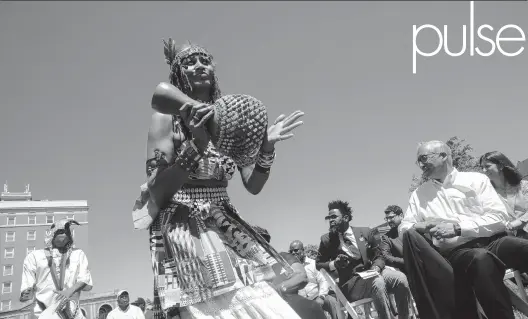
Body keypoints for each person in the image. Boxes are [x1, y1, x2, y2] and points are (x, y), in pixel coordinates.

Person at [140, 40, 304, 319]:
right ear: (178, 74)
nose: (199, 66)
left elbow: (252, 185)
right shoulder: (166, 119)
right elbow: (156, 191)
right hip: (183, 226)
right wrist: (196, 147)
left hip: (226, 222)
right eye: (189, 62)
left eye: (205, 60)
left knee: (265, 303)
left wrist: (266, 147)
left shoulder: (229, 119)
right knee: (213, 308)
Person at [400, 140, 528, 319]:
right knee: (481, 260)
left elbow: (499, 218)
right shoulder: (419, 195)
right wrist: (416, 226)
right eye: (418, 161)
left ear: (443, 156)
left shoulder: (476, 180)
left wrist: (458, 228)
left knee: (522, 247)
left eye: (424, 158)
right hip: (459, 253)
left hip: (494, 241)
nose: (421, 165)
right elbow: (404, 228)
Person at [316, 200, 410, 319]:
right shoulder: (327, 240)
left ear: (345, 218)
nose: (330, 220)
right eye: (329, 217)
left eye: (334, 217)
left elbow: (379, 255)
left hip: (374, 272)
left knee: (400, 278)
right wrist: (334, 263)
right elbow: (318, 264)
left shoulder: (365, 232)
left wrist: (376, 267)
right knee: (378, 282)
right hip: (351, 283)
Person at [19, 219, 93, 319]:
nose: (64, 233)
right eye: (60, 231)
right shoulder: (34, 256)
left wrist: (70, 291)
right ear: (51, 234)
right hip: (43, 313)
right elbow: (27, 285)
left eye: (66, 231)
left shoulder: (78, 254)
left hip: (71, 314)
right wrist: (26, 293)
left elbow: (84, 278)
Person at [289, 240, 345, 319]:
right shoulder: (290, 269)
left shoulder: (313, 264)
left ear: (303, 250)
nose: (293, 253)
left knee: (331, 302)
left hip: (317, 296)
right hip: (303, 301)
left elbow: (323, 280)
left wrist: (321, 297)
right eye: (291, 251)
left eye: (296, 250)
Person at [480, 151, 528, 237]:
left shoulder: (523, 186)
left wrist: (519, 222)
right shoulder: (487, 193)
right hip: (507, 239)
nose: (484, 170)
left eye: (487, 166)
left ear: (501, 166)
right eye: (482, 167)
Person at [379, 205, 405, 273]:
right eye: (386, 218)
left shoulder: (413, 228)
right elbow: (386, 256)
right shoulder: (386, 237)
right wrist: (406, 261)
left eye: (391, 217)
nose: (388, 221)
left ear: (401, 216)